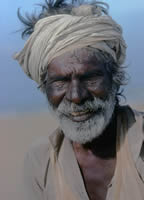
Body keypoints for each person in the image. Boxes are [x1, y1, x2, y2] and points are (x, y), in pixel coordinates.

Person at [14, 1, 144, 200]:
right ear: (45, 89)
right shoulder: (41, 162)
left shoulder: (140, 144)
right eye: (60, 82)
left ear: (115, 79)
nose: (76, 96)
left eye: (90, 78)